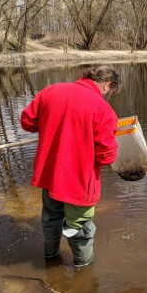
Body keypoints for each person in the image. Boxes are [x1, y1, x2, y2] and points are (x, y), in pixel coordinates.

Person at [21, 65, 121, 267]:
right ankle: (84, 273)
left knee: (51, 217)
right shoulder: (102, 109)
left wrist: (53, 123)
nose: (108, 97)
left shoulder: (51, 91)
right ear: (107, 85)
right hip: (78, 182)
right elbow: (106, 157)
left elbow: (27, 122)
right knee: (79, 228)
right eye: (110, 94)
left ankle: (50, 257)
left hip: (49, 176)